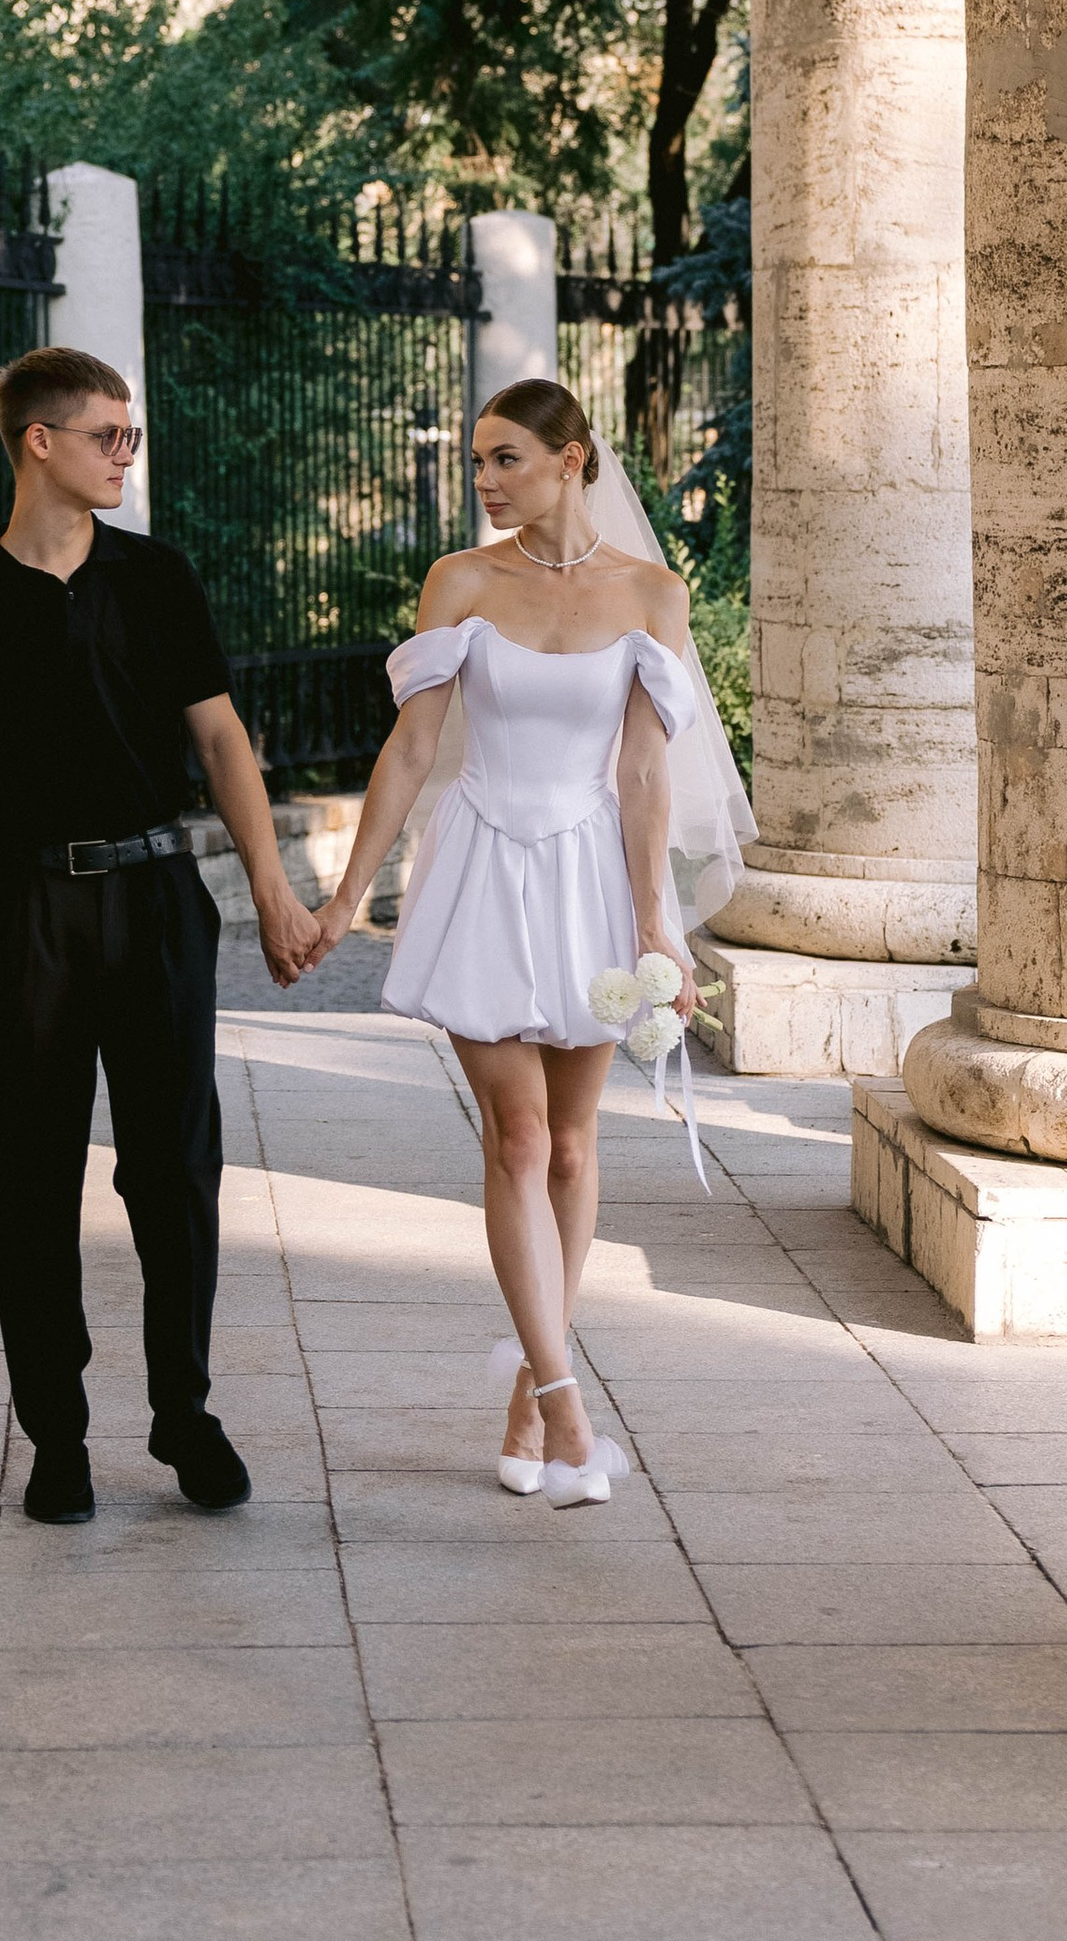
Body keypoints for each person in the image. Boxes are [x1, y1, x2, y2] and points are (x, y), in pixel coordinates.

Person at [0, 345, 322, 1528]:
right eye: (108, 436)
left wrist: (273, 895)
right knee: (27, 1183)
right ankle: (59, 1440)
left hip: (157, 903)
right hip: (21, 914)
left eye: (130, 436)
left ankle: (183, 1416)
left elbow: (225, 745)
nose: (126, 454)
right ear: (41, 441)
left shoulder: (157, 579)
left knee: (174, 1172)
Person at [310, 378, 750, 1507]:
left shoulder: (652, 595)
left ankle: (525, 1384)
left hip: (592, 879)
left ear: (571, 459)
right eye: (477, 463)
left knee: (570, 1147)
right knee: (512, 1141)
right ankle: (566, 1409)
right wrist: (348, 894)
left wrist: (655, 922)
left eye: (505, 459)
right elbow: (410, 752)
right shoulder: (461, 582)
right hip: (483, 871)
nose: (485, 480)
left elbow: (645, 769)